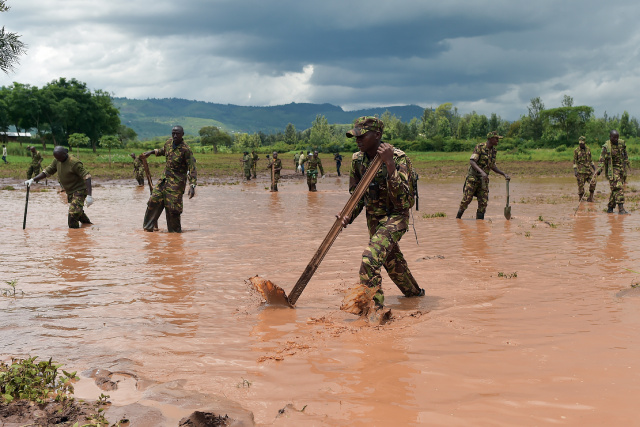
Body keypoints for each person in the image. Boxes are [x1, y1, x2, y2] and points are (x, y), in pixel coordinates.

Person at [339, 116, 424, 308]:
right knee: (392, 263)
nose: (358, 140)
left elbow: (404, 202)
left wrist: (389, 165)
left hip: (396, 218)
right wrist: (347, 215)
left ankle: (373, 309)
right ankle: (415, 296)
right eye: (355, 137)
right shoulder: (357, 161)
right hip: (374, 221)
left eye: (362, 136)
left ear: (377, 135)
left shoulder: (398, 158)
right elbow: (357, 197)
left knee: (370, 259)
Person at [140, 125, 197, 232]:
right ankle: (147, 229)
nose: (175, 136)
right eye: (173, 133)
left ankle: (175, 234)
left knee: (173, 209)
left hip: (176, 184)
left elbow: (192, 168)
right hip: (164, 181)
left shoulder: (186, 150)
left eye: (177, 133)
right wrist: (151, 152)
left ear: (182, 134)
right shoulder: (168, 143)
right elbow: (163, 151)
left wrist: (192, 185)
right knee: (153, 201)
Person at [24, 146, 93, 228]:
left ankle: (74, 235)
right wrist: (33, 179)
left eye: (59, 158)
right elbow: (48, 171)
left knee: (73, 214)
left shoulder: (74, 163)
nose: (58, 160)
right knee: (77, 211)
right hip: (70, 190)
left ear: (65, 154)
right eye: (56, 158)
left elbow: (87, 177)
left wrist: (89, 196)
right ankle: (88, 225)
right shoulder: (57, 160)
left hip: (80, 190)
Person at [456, 131, 510, 219]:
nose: (497, 141)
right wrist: (482, 172)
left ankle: (480, 224)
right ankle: (457, 219)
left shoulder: (493, 151)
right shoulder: (480, 147)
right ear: (490, 139)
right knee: (466, 200)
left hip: (483, 180)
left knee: (483, 203)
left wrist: (504, 174)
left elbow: (492, 166)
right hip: (473, 178)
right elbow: (472, 161)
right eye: (496, 139)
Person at [596, 130, 630, 214]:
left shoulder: (621, 143)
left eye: (617, 137)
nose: (616, 139)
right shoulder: (606, 147)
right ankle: (621, 209)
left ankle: (610, 208)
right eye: (614, 137)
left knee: (615, 189)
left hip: (621, 170)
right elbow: (602, 160)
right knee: (619, 188)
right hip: (612, 170)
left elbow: (625, 152)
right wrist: (599, 169)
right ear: (610, 137)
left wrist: (626, 160)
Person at [573, 136, 596, 202]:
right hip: (580, 172)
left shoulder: (588, 149)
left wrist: (594, 169)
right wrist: (575, 171)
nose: (581, 144)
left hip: (588, 171)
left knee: (593, 183)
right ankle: (581, 199)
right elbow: (574, 161)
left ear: (584, 142)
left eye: (582, 143)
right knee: (581, 187)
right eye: (580, 143)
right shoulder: (576, 150)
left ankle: (590, 198)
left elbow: (591, 160)